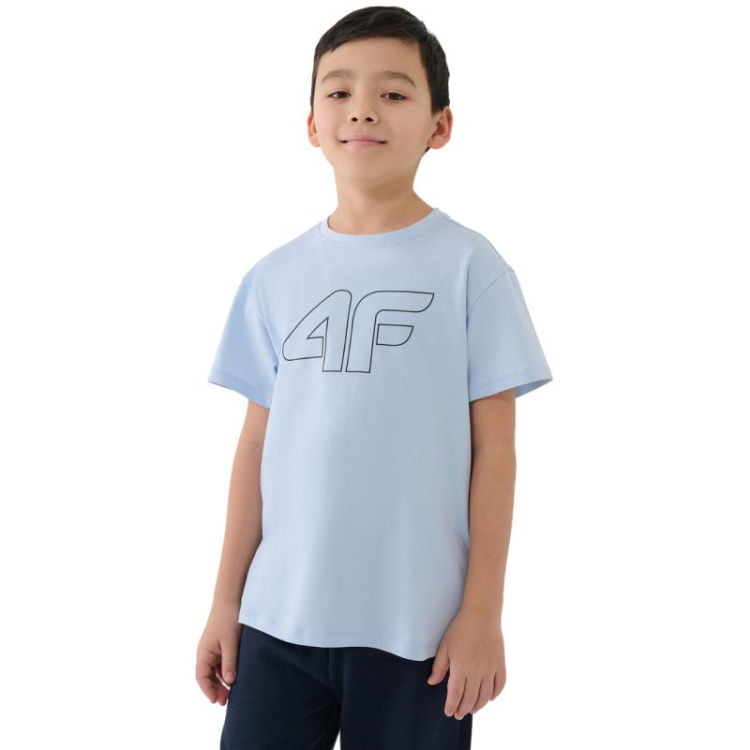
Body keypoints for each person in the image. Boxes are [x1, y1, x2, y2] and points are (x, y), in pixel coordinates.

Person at [196, 6, 553, 749]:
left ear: (440, 125)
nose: (362, 108)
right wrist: (225, 601)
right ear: (311, 124)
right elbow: (256, 448)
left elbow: (495, 451)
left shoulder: (471, 268)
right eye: (339, 91)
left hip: (417, 631)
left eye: (393, 93)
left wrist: (482, 613)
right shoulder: (274, 277)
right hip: (277, 621)